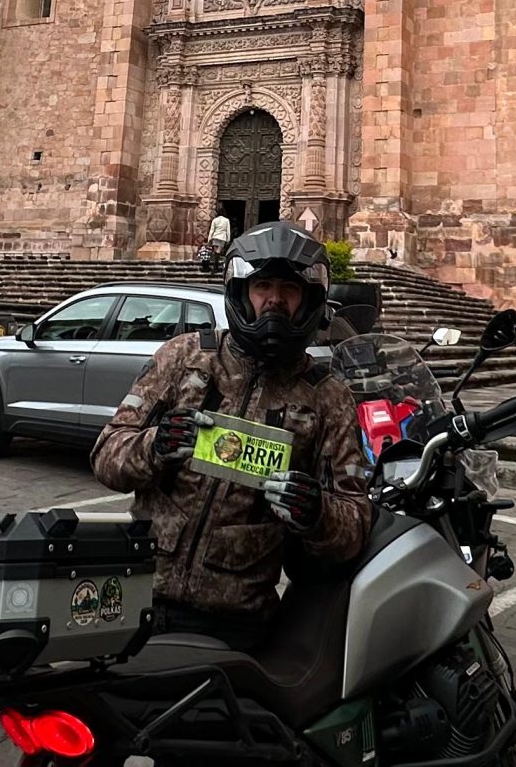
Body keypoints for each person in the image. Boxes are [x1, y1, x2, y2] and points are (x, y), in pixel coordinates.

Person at [91, 222, 371, 651]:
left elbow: (353, 525)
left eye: (289, 290)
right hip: (138, 590)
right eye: (263, 286)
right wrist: (156, 445)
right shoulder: (185, 357)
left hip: (235, 619)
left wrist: (315, 511)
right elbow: (107, 455)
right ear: (242, 292)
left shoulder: (326, 397)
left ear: (309, 300)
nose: (274, 301)